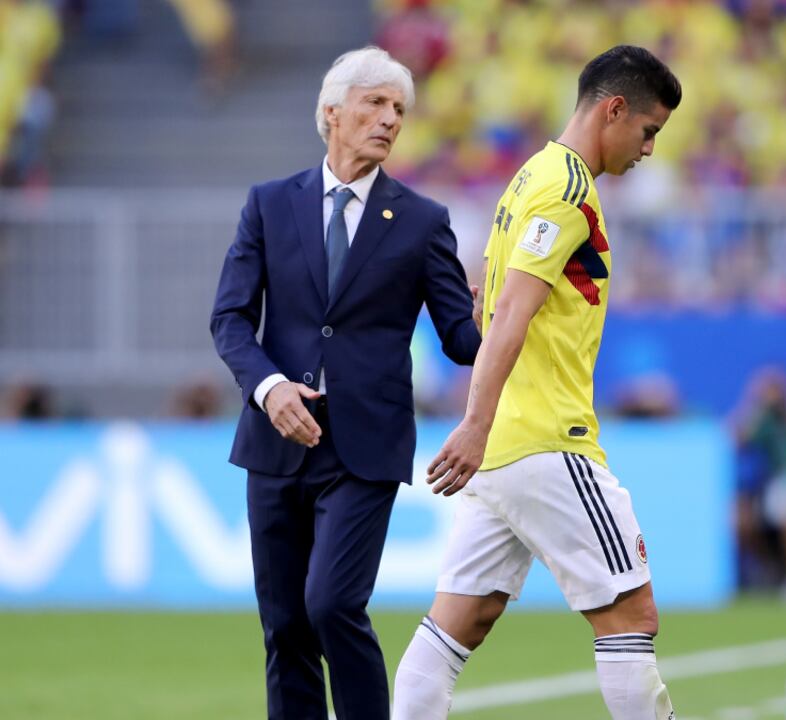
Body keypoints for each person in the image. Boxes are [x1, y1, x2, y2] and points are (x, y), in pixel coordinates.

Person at [391, 45, 682, 720]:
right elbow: (514, 312)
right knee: (630, 612)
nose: (648, 150)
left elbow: (493, 301)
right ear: (614, 110)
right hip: (546, 441)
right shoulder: (567, 190)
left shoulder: (528, 178)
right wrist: (475, 419)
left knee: (460, 623)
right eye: (648, 131)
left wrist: (482, 428)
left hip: (501, 455)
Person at [209, 46, 481, 720]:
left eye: (399, 110)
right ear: (332, 113)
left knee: (331, 603)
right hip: (276, 442)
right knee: (286, 628)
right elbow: (230, 320)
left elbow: (462, 340)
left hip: (365, 446)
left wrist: (510, 310)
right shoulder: (269, 205)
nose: (390, 120)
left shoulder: (422, 221)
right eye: (376, 104)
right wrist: (269, 388)